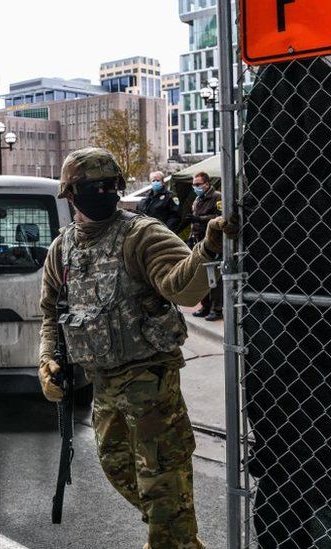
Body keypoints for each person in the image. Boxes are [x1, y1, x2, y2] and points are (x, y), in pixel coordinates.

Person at [38, 148, 227, 549]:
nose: (104, 192)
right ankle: (177, 534)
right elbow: (51, 312)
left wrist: (206, 250)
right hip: (103, 383)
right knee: (118, 467)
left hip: (150, 382)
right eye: (94, 187)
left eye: (111, 186)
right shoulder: (63, 249)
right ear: (71, 193)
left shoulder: (143, 234)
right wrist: (48, 359)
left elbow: (185, 288)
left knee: (161, 478)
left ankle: (171, 538)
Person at [186, 172, 223, 320]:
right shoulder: (197, 199)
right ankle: (205, 306)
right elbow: (193, 221)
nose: (196, 187)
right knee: (201, 275)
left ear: (207, 184)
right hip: (198, 241)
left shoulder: (217, 197)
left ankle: (217, 308)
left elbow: (220, 217)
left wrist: (199, 219)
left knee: (214, 275)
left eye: (198, 184)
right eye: (194, 185)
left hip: (213, 242)